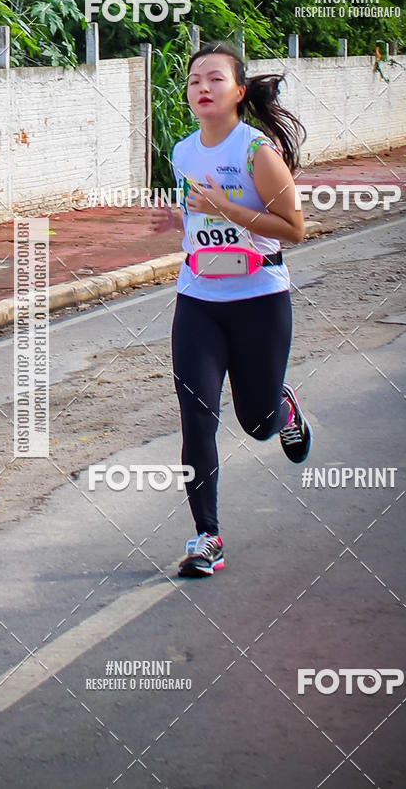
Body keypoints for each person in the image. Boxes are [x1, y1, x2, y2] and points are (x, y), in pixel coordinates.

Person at [152, 40, 312, 577]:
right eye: (195, 79)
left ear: (240, 92)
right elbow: (193, 220)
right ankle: (207, 537)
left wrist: (222, 206)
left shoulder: (256, 152)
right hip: (197, 299)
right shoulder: (181, 151)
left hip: (259, 300)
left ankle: (282, 410)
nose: (203, 86)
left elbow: (294, 228)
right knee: (197, 418)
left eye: (216, 79)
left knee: (256, 422)